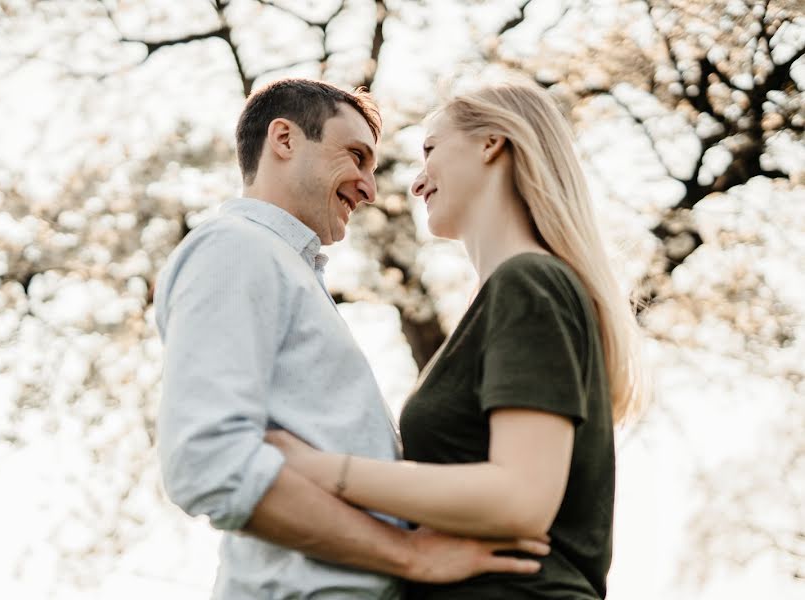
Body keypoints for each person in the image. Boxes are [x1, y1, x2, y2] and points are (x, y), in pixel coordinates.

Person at [154, 78, 550, 600]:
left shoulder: (286, 271)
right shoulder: (235, 249)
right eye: (355, 156)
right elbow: (207, 463)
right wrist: (409, 554)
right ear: (285, 139)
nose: (369, 187)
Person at [266, 76, 650, 599]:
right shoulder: (507, 296)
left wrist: (317, 467)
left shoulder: (530, 283)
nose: (417, 183)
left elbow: (520, 498)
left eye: (430, 151)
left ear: (493, 143)